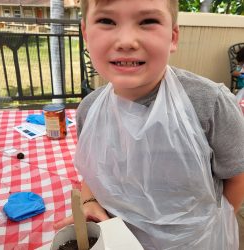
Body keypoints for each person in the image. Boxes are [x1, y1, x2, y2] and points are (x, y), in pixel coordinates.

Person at [54, 0, 244, 249]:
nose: (126, 41)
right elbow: (94, 169)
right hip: (117, 238)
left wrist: (215, 227)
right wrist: (88, 200)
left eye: (148, 22)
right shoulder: (89, 110)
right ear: (86, 35)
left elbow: (237, 174)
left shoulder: (210, 104)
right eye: (107, 21)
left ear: (173, 37)